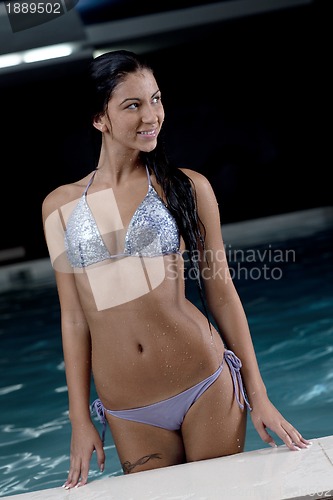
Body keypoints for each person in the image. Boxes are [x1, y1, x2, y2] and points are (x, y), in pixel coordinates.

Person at [42, 49, 310, 489]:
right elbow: (73, 317)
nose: (151, 115)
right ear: (99, 118)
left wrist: (259, 396)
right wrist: (79, 420)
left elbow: (221, 294)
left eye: (156, 99)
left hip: (204, 383)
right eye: (133, 105)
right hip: (129, 407)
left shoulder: (185, 188)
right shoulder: (61, 206)